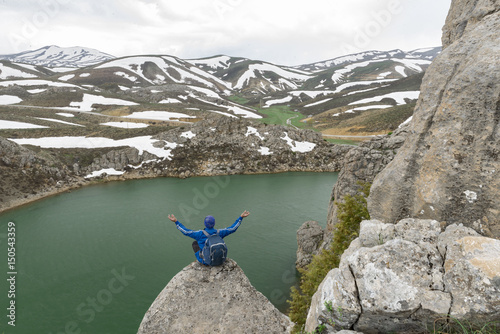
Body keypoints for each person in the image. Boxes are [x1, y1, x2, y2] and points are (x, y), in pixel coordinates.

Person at [168, 211, 250, 265]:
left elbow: (186, 231)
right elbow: (233, 228)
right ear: (214, 223)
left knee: (195, 243)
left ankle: (202, 259)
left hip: (206, 262)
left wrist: (176, 222)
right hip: (220, 260)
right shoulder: (219, 233)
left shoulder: (199, 234)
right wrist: (241, 217)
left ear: (204, 224)